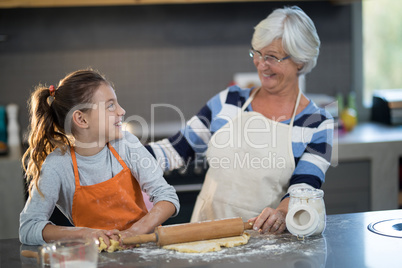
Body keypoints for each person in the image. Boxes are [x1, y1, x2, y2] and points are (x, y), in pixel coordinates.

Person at [145, 6, 333, 234]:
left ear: (300, 61)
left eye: (272, 57)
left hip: (265, 240)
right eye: (257, 53)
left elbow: (304, 187)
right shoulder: (228, 101)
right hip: (205, 232)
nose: (261, 65)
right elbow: (176, 149)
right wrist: (123, 154)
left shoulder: (317, 122)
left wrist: (282, 213)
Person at [19, 69, 179, 247]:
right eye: (110, 105)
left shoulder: (126, 144)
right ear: (81, 119)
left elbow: (167, 197)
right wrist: (85, 234)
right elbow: (28, 227)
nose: (121, 111)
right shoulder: (57, 166)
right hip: (95, 258)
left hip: (145, 249)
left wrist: (134, 232)